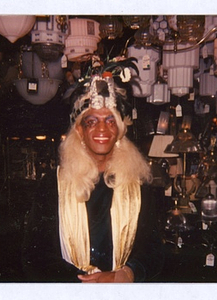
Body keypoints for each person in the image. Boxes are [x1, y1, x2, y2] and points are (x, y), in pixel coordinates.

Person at [22, 57, 164, 283]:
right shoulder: (53, 184)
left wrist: (126, 274)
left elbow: (153, 250)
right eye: (91, 121)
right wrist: (84, 282)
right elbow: (35, 256)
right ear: (79, 130)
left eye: (110, 121)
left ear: (119, 130)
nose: (102, 129)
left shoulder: (138, 184)